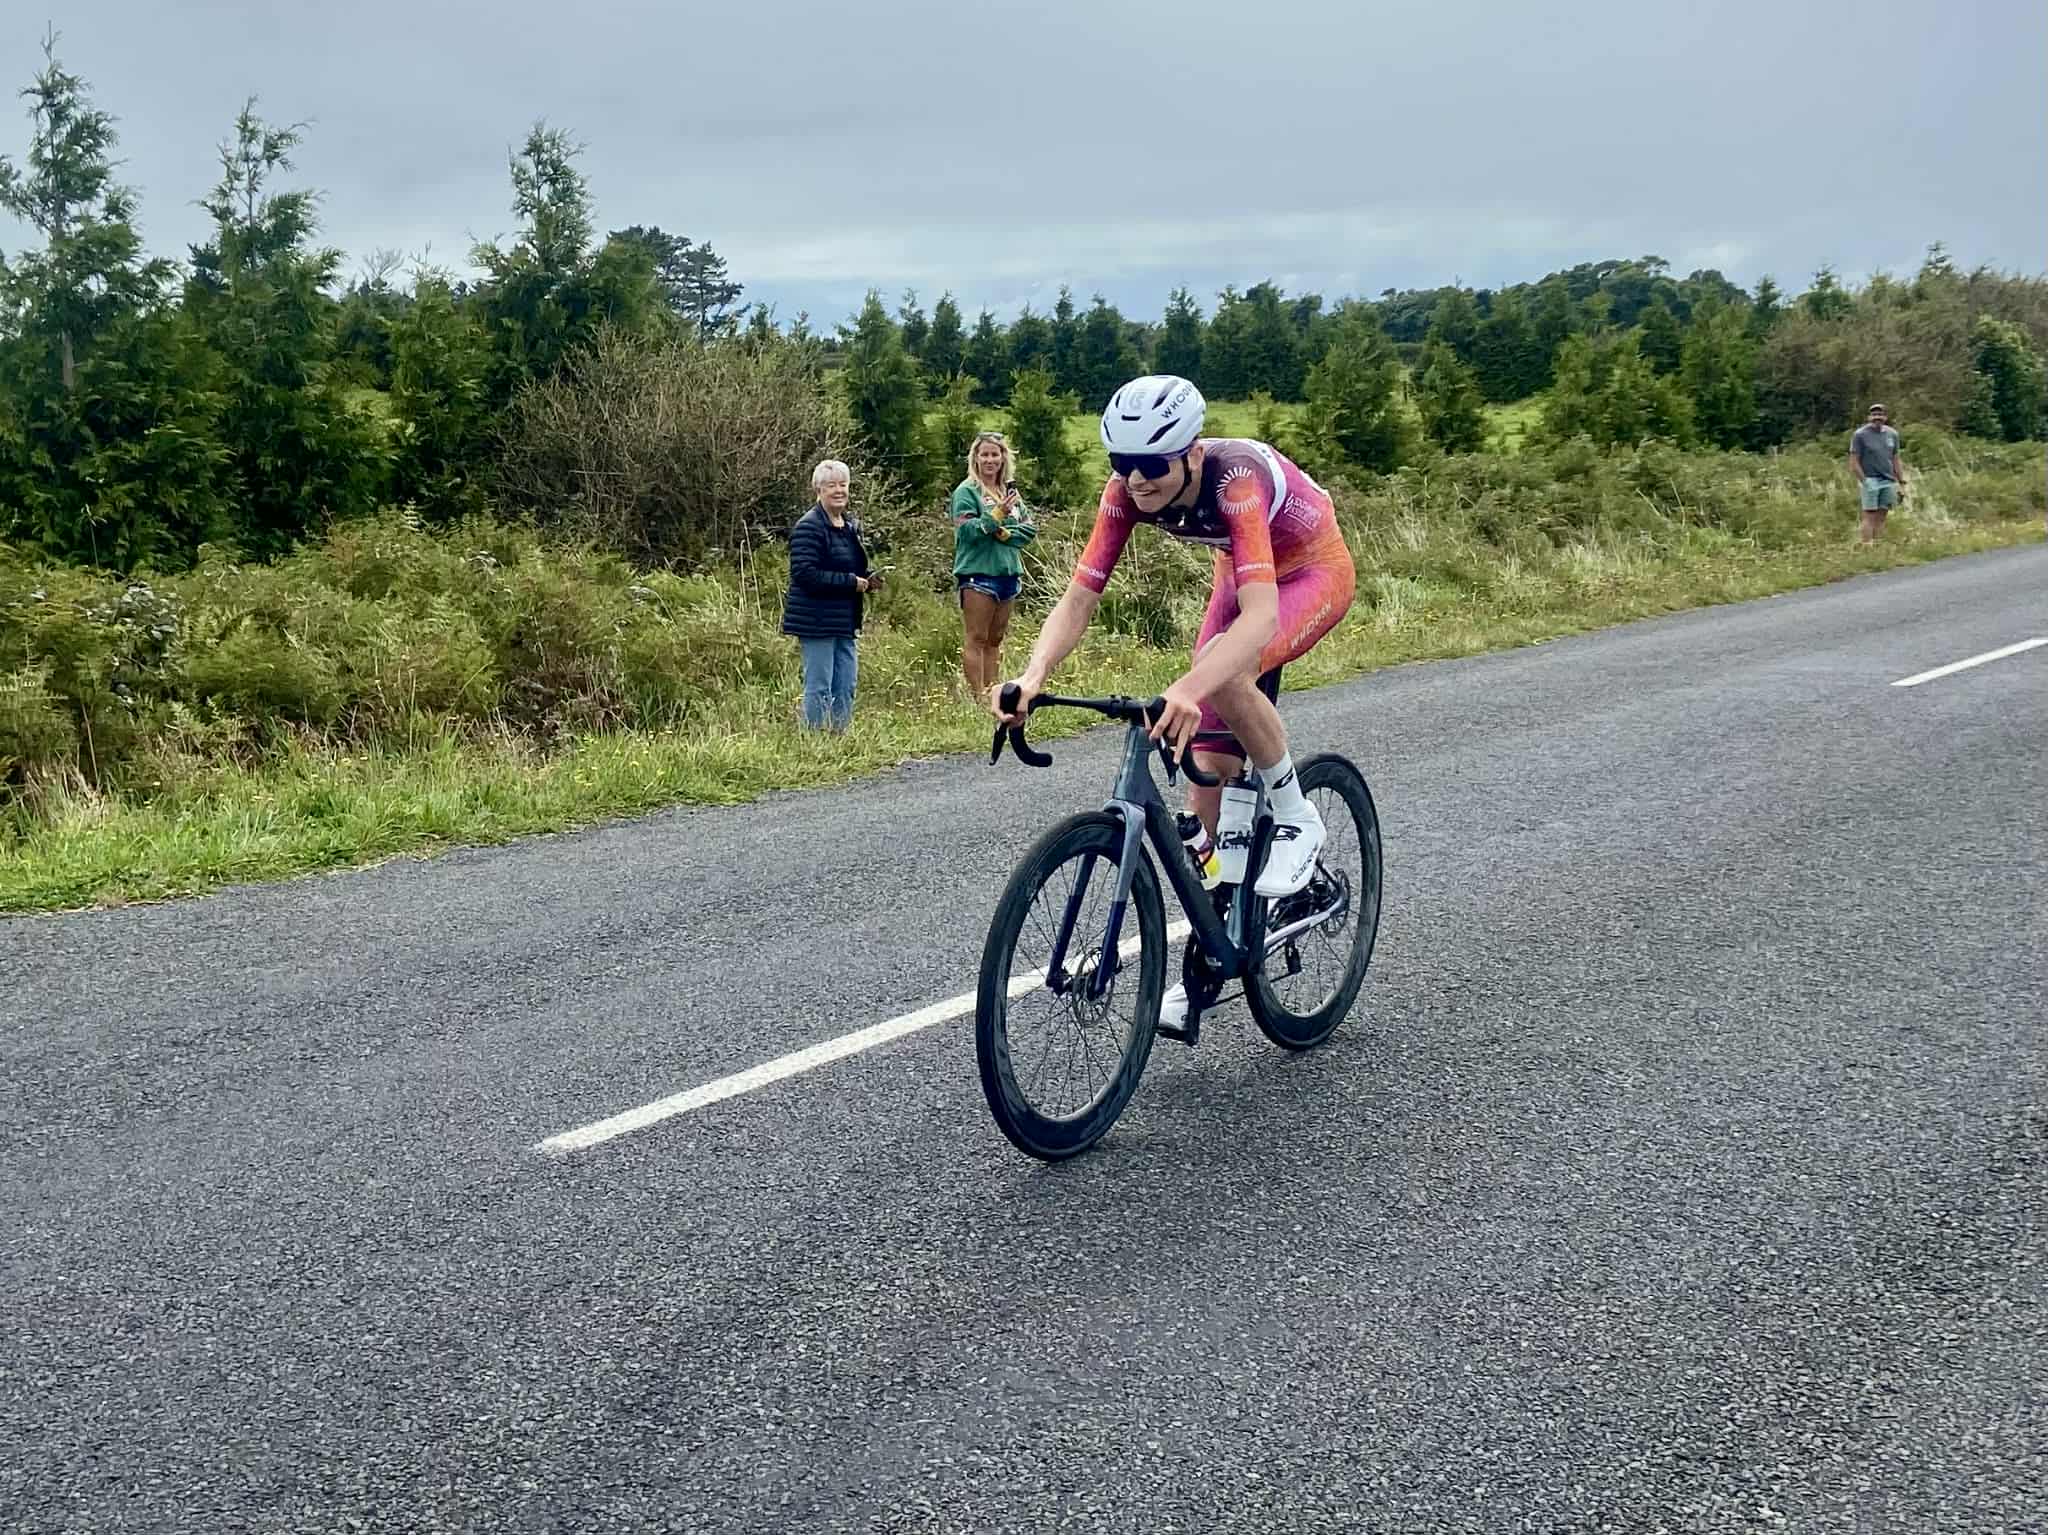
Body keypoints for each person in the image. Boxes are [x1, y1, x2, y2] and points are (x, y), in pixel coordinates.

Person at [994, 373, 1356, 943]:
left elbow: (1260, 618)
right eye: (1122, 461)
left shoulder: (1236, 479)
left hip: (1312, 570)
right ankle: (1219, 944)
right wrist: (1033, 673)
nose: (1136, 479)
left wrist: (1189, 688)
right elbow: (1081, 596)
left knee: (1223, 669)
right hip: (1241, 574)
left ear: (1190, 454)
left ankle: (1296, 816)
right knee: (1205, 775)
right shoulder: (1124, 492)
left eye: (1153, 464)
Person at [781, 459, 877, 731]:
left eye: (843, 484)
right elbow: (805, 574)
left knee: (846, 683)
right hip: (816, 619)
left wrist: (867, 579)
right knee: (819, 685)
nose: (838, 490)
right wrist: (850, 582)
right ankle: (813, 738)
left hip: (844, 618)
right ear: (818, 490)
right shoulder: (809, 526)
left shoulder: (848, 525)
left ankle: (839, 735)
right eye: (831, 485)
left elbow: (848, 567)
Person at [951, 430, 1036, 704]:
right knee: (977, 637)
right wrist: (996, 516)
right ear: (975, 458)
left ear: (1003, 458)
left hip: (1008, 573)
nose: (990, 460)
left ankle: (993, 693)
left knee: (996, 639)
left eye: (995, 454)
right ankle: (979, 698)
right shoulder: (966, 491)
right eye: (984, 454)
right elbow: (968, 532)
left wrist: (1002, 533)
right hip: (978, 575)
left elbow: (1028, 530)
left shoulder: (1010, 492)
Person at [1849, 403, 1908, 544]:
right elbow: (1853, 461)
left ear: (1885, 417)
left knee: (1882, 515)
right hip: (1870, 479)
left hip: (1888, 480)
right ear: (1869, 417)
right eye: (1874, 415)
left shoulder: (1892, 434)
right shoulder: (1860, 435)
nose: (1877, 417)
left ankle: (1878, 545)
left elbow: (1895, 458)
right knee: (1869, 515)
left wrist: (1901, 481)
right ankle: (1866, 546)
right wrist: (1864, 481)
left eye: (1880, 415)